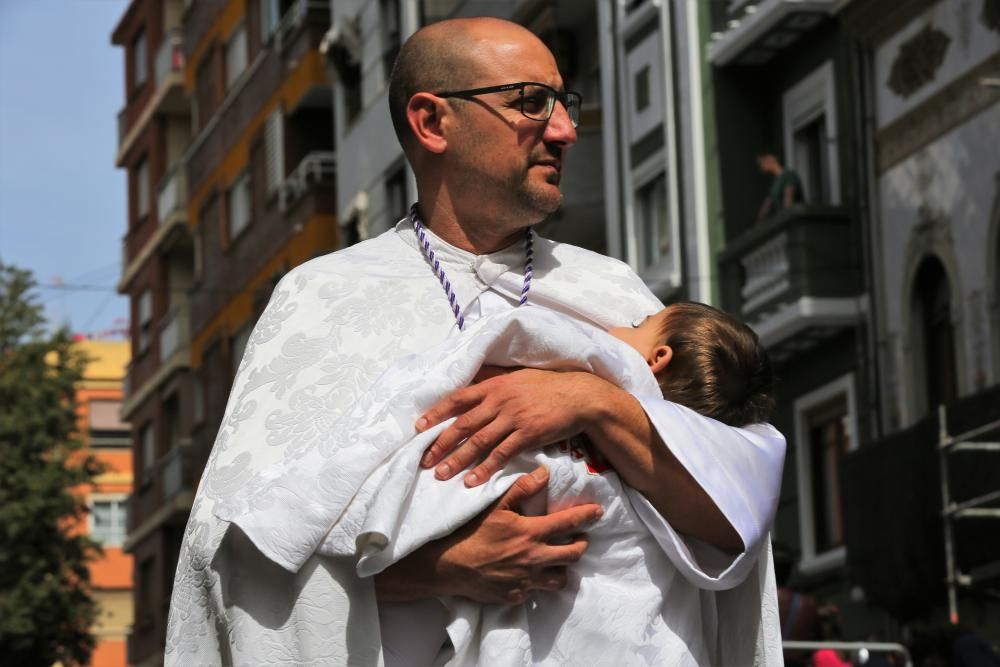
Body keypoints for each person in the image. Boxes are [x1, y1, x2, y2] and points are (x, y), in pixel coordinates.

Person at [165, 17, 786, 666]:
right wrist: (438, 566)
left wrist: (592, 401)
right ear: (433, 122)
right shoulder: (322, 299)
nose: (565, 130)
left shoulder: (616, 296)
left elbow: (732, 518)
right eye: (531, 102)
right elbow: (240, 553)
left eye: (564, 103)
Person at [357, 301, 777, 665]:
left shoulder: (608, 306)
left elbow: (738, 509)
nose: (614, 327)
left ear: (658, 359)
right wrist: (444, 568)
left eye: (636, 325)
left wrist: (587, 398)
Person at [755, 152, 805, 224]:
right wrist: (757, 225)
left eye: (763, 161)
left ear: (771, 158)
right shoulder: (775, 183)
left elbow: (788, 199)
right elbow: (766, 206)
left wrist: (786, 219)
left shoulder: (788, 175)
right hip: (784, 221)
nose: (761, 166)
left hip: (795, 221)